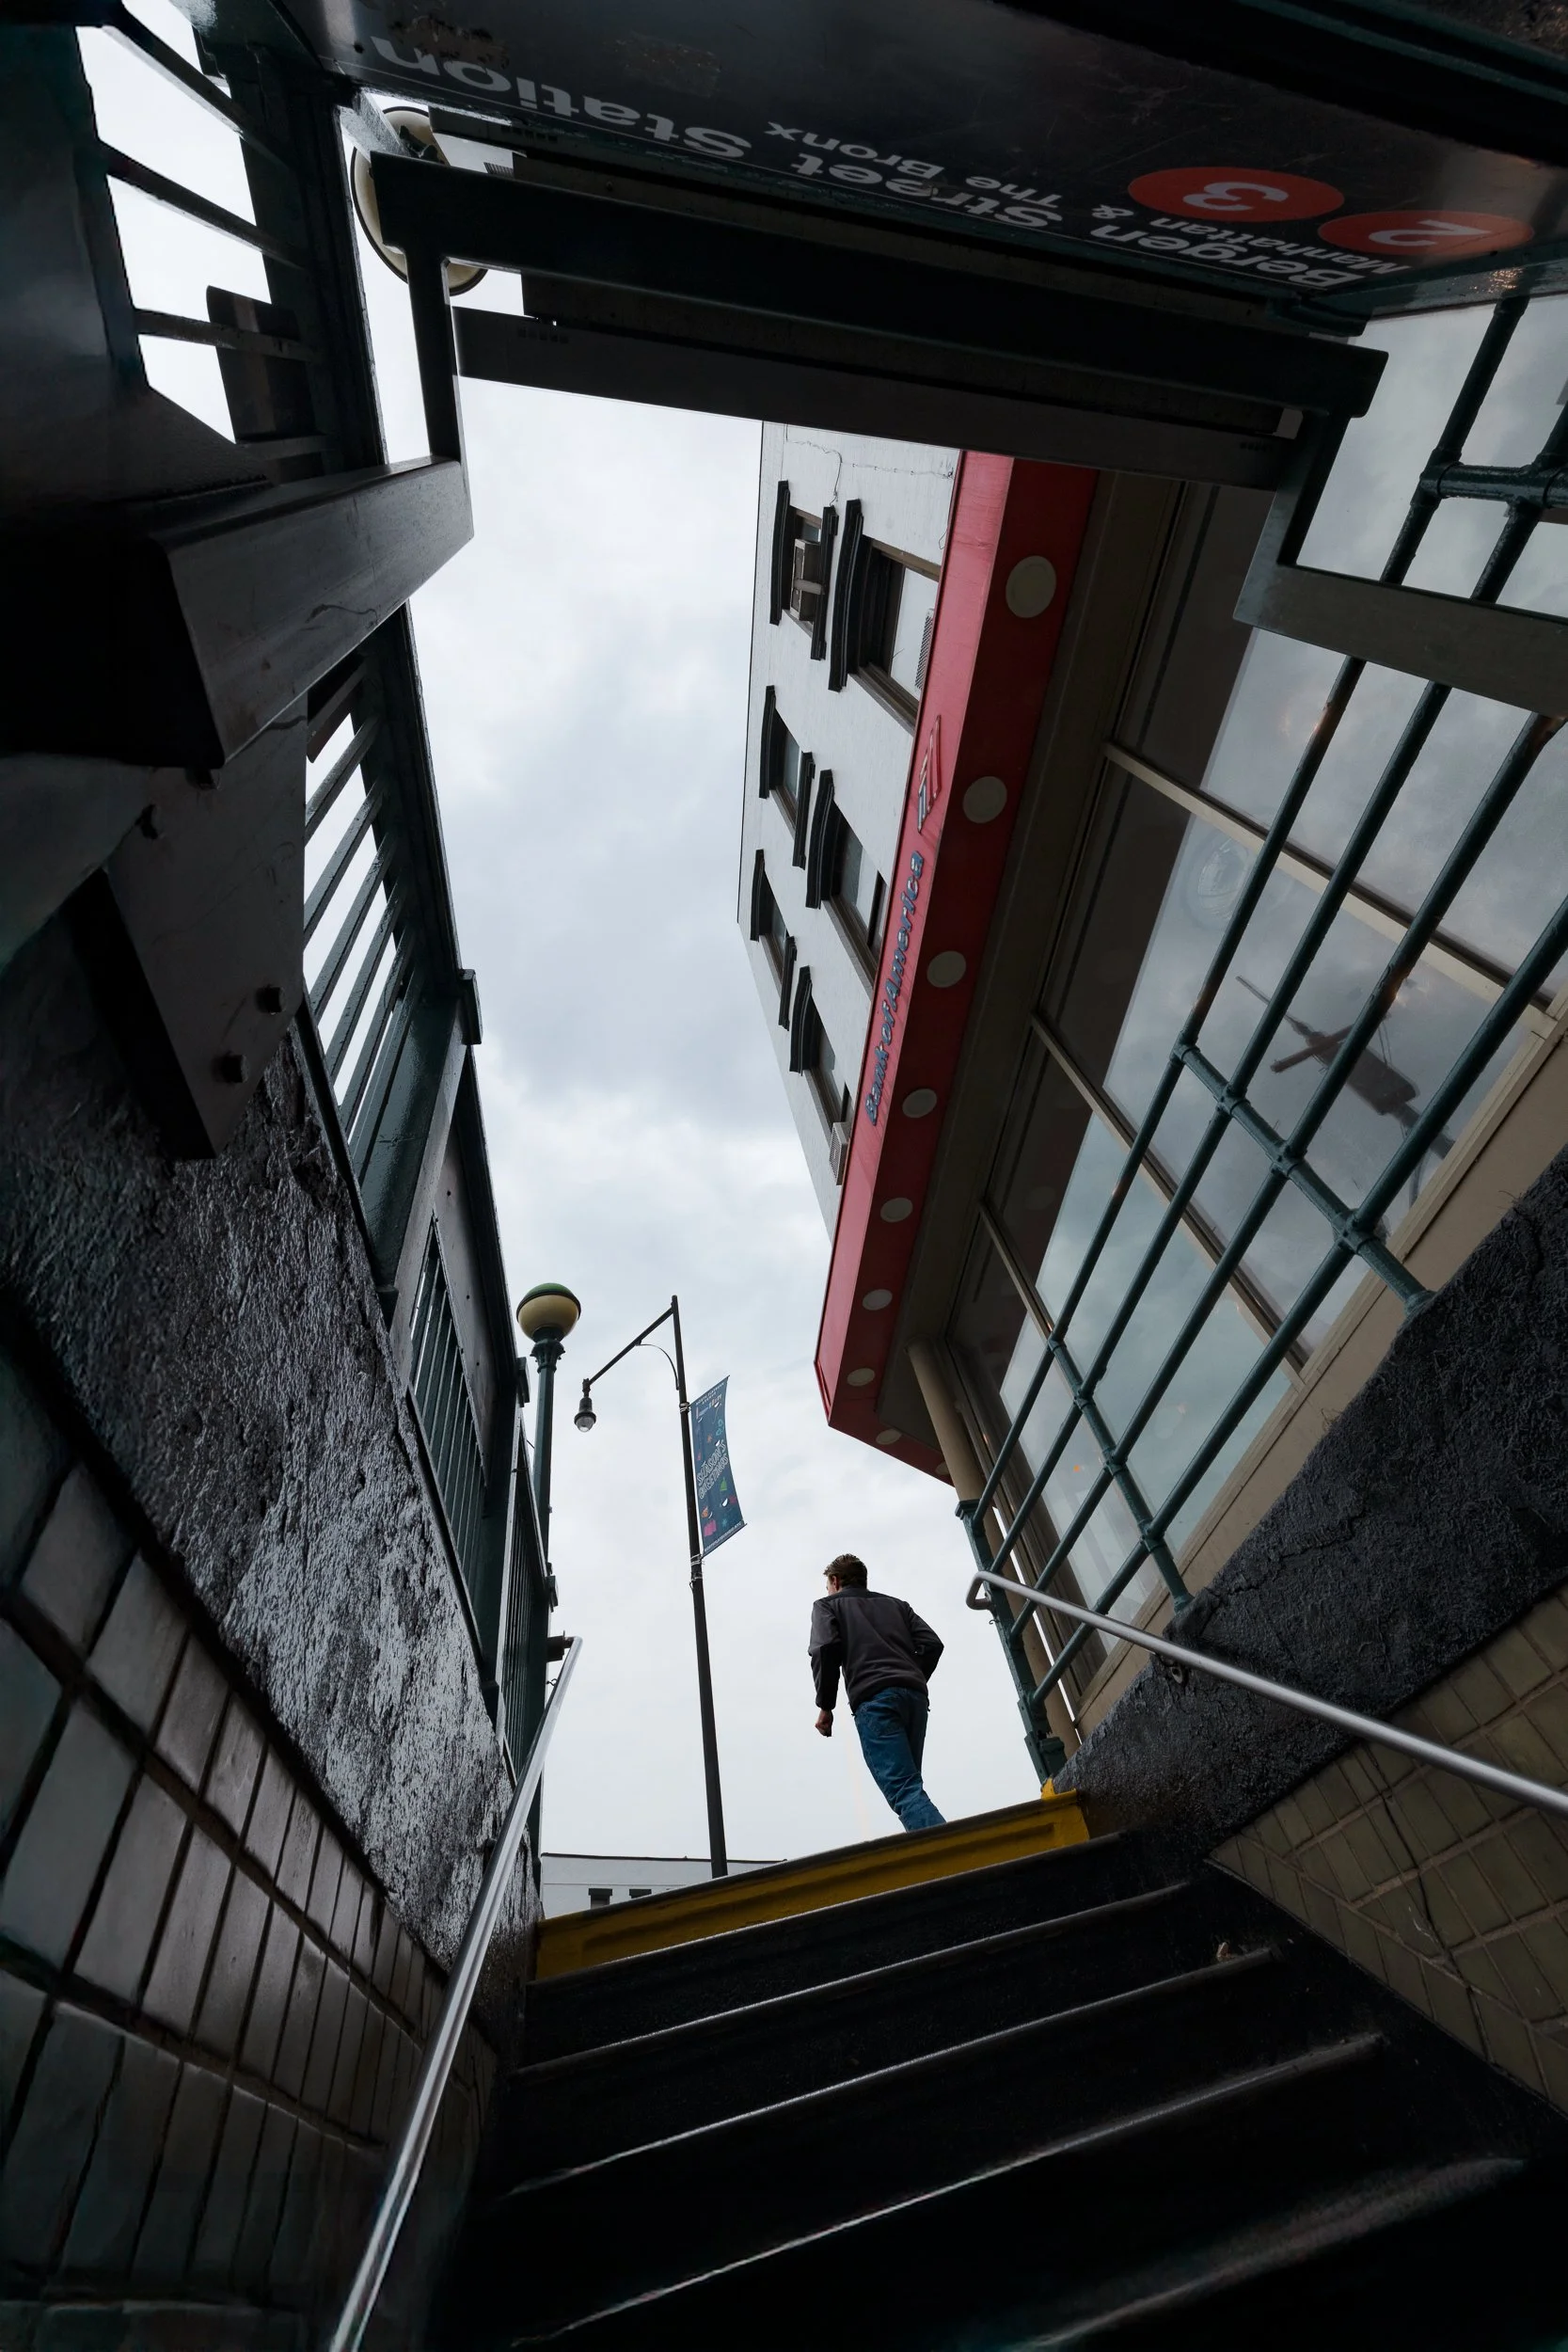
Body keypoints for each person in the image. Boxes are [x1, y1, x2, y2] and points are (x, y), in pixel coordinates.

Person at [810, 1553, 946, 1833]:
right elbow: (932, 1644)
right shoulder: (898, 1605)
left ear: (835, 1581)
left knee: (904, 1790)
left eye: (828, 1585)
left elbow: (824, 1649)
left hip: (875, 1701)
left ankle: (950, 1852)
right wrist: (912, 1675)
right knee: (910, 1785)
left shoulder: (826, 1606)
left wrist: (826, 1706)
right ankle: (932, 1845)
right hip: (915, 1699)